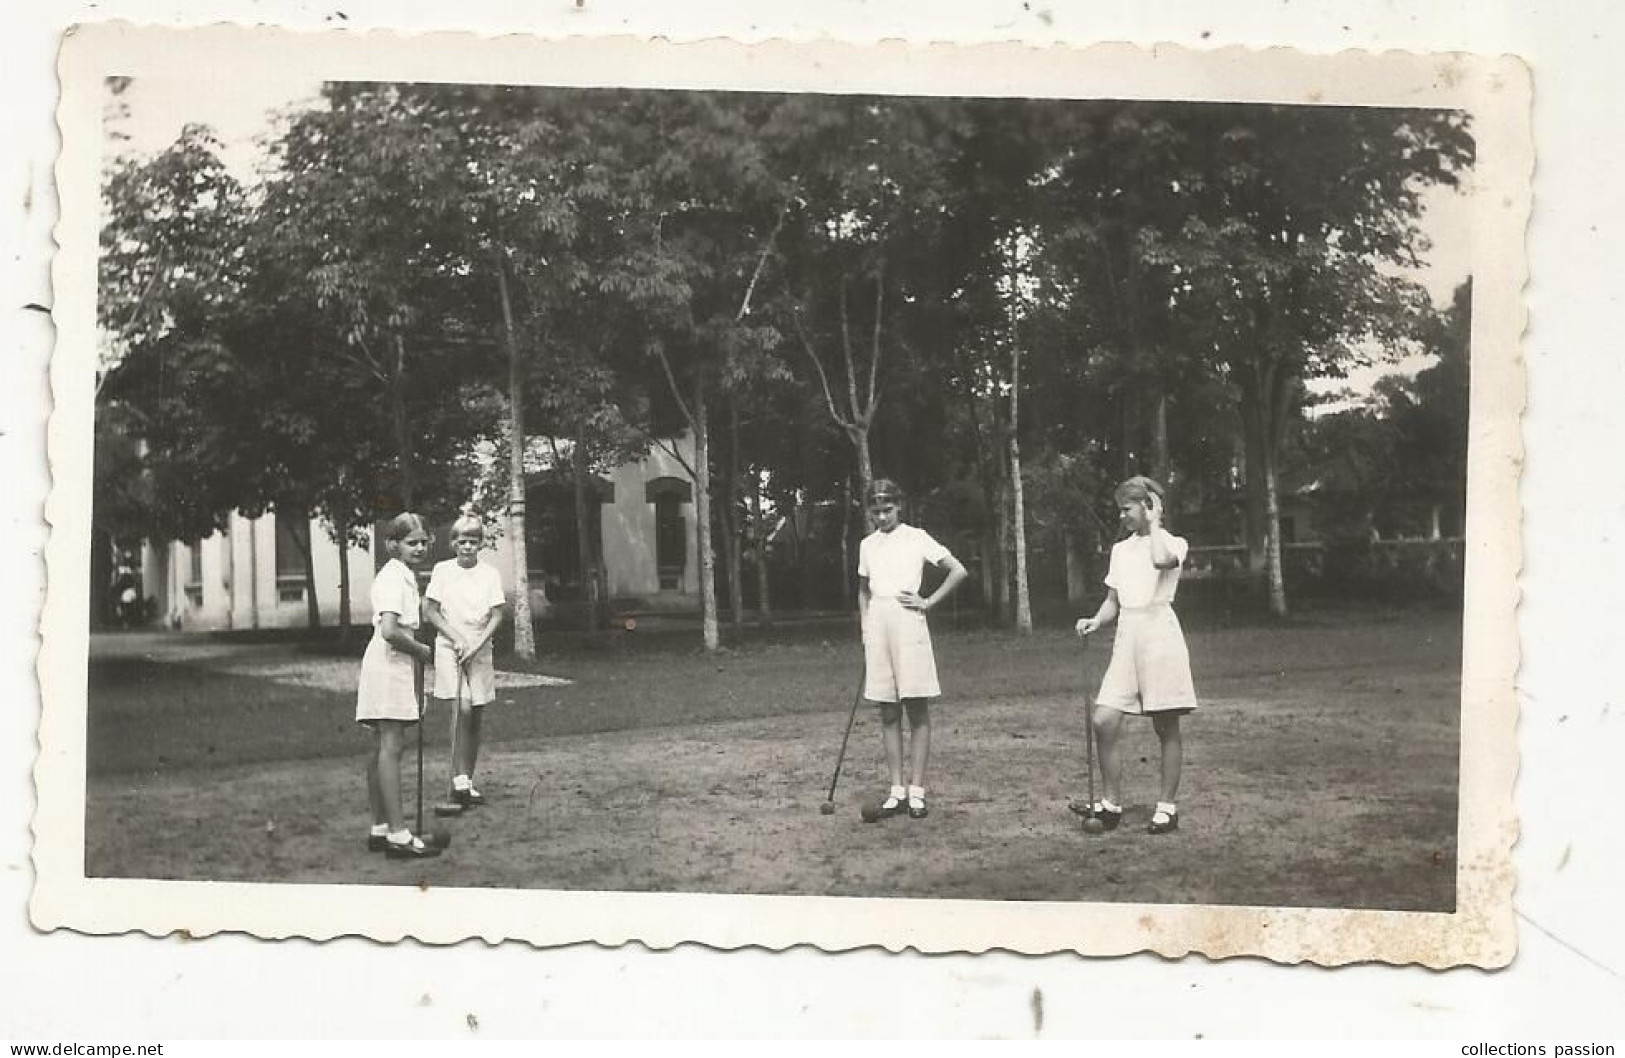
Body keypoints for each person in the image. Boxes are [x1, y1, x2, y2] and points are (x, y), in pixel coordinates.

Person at [1074, 476, 1198, 835]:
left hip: (1160, 635)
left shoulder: (1174, 543)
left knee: (1165, 724)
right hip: (1127, 635)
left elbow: (1161, 561)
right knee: (1104, 720)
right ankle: (1111, 804)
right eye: (1121, 509)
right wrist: (1095, 621)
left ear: (1149, 506)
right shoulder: (1121, 550)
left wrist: (1155, 523)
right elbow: (1113, 601)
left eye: (1128, 509)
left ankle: (1166, 808)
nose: (1122, 516)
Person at [857, 478, 968, 821]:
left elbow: (958, 570)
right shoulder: (867, 545)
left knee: (916, 709)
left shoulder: (916, 537)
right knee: (888, 711)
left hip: (909, 623)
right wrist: (865, 625)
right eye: (876, 512)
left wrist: (928, 602)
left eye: (887, 510)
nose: (882, 517)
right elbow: (863, 589)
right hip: (879, 625)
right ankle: (896, 791)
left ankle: (917, 791)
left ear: (899, 507)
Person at [355, 512, 439, 859]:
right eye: (411, 542)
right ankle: (399, 834)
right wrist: (420, 649)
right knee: (391, 745)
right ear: (393, 545)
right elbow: (391, 631)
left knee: (380, 745)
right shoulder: (394, 579)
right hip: (390, 665)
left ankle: (380, 828)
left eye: (423, 542)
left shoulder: (399, 575)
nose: (419, 548)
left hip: (387, 664)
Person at [424, 510, 507, 809]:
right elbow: (430, 610)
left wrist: (477, 643)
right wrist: (457, 639)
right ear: (453, 543)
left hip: (481, 646)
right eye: (462, 541)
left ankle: (466, 782)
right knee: (463, 707)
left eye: (473, 541)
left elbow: (497, 614)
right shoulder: (442, 570)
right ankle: (457, 778)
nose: (468, 546)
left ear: (481, 544)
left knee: (477, 713)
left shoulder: (490, 574)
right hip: (450, 645)